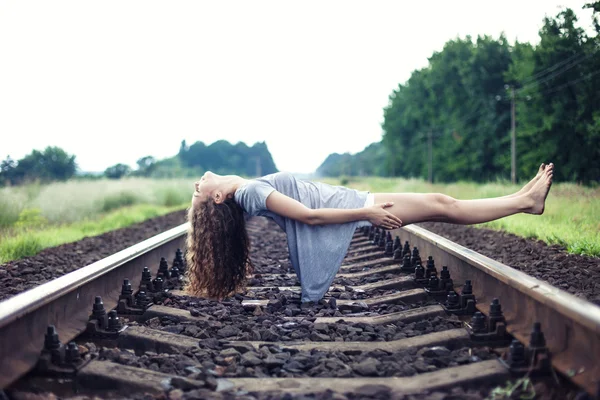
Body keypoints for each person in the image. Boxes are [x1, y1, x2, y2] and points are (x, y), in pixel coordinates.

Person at [185, 163, 554, 303]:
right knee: (443, 204)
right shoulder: (249, 192)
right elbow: (310, 217)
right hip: (359, 203)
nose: (198, 184)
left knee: (442, 203)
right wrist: (367, 212)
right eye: (199, 192)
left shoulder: (249, 188)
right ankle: (526, 202)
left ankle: (523, 198)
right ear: (218, 197)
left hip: (355, 202)